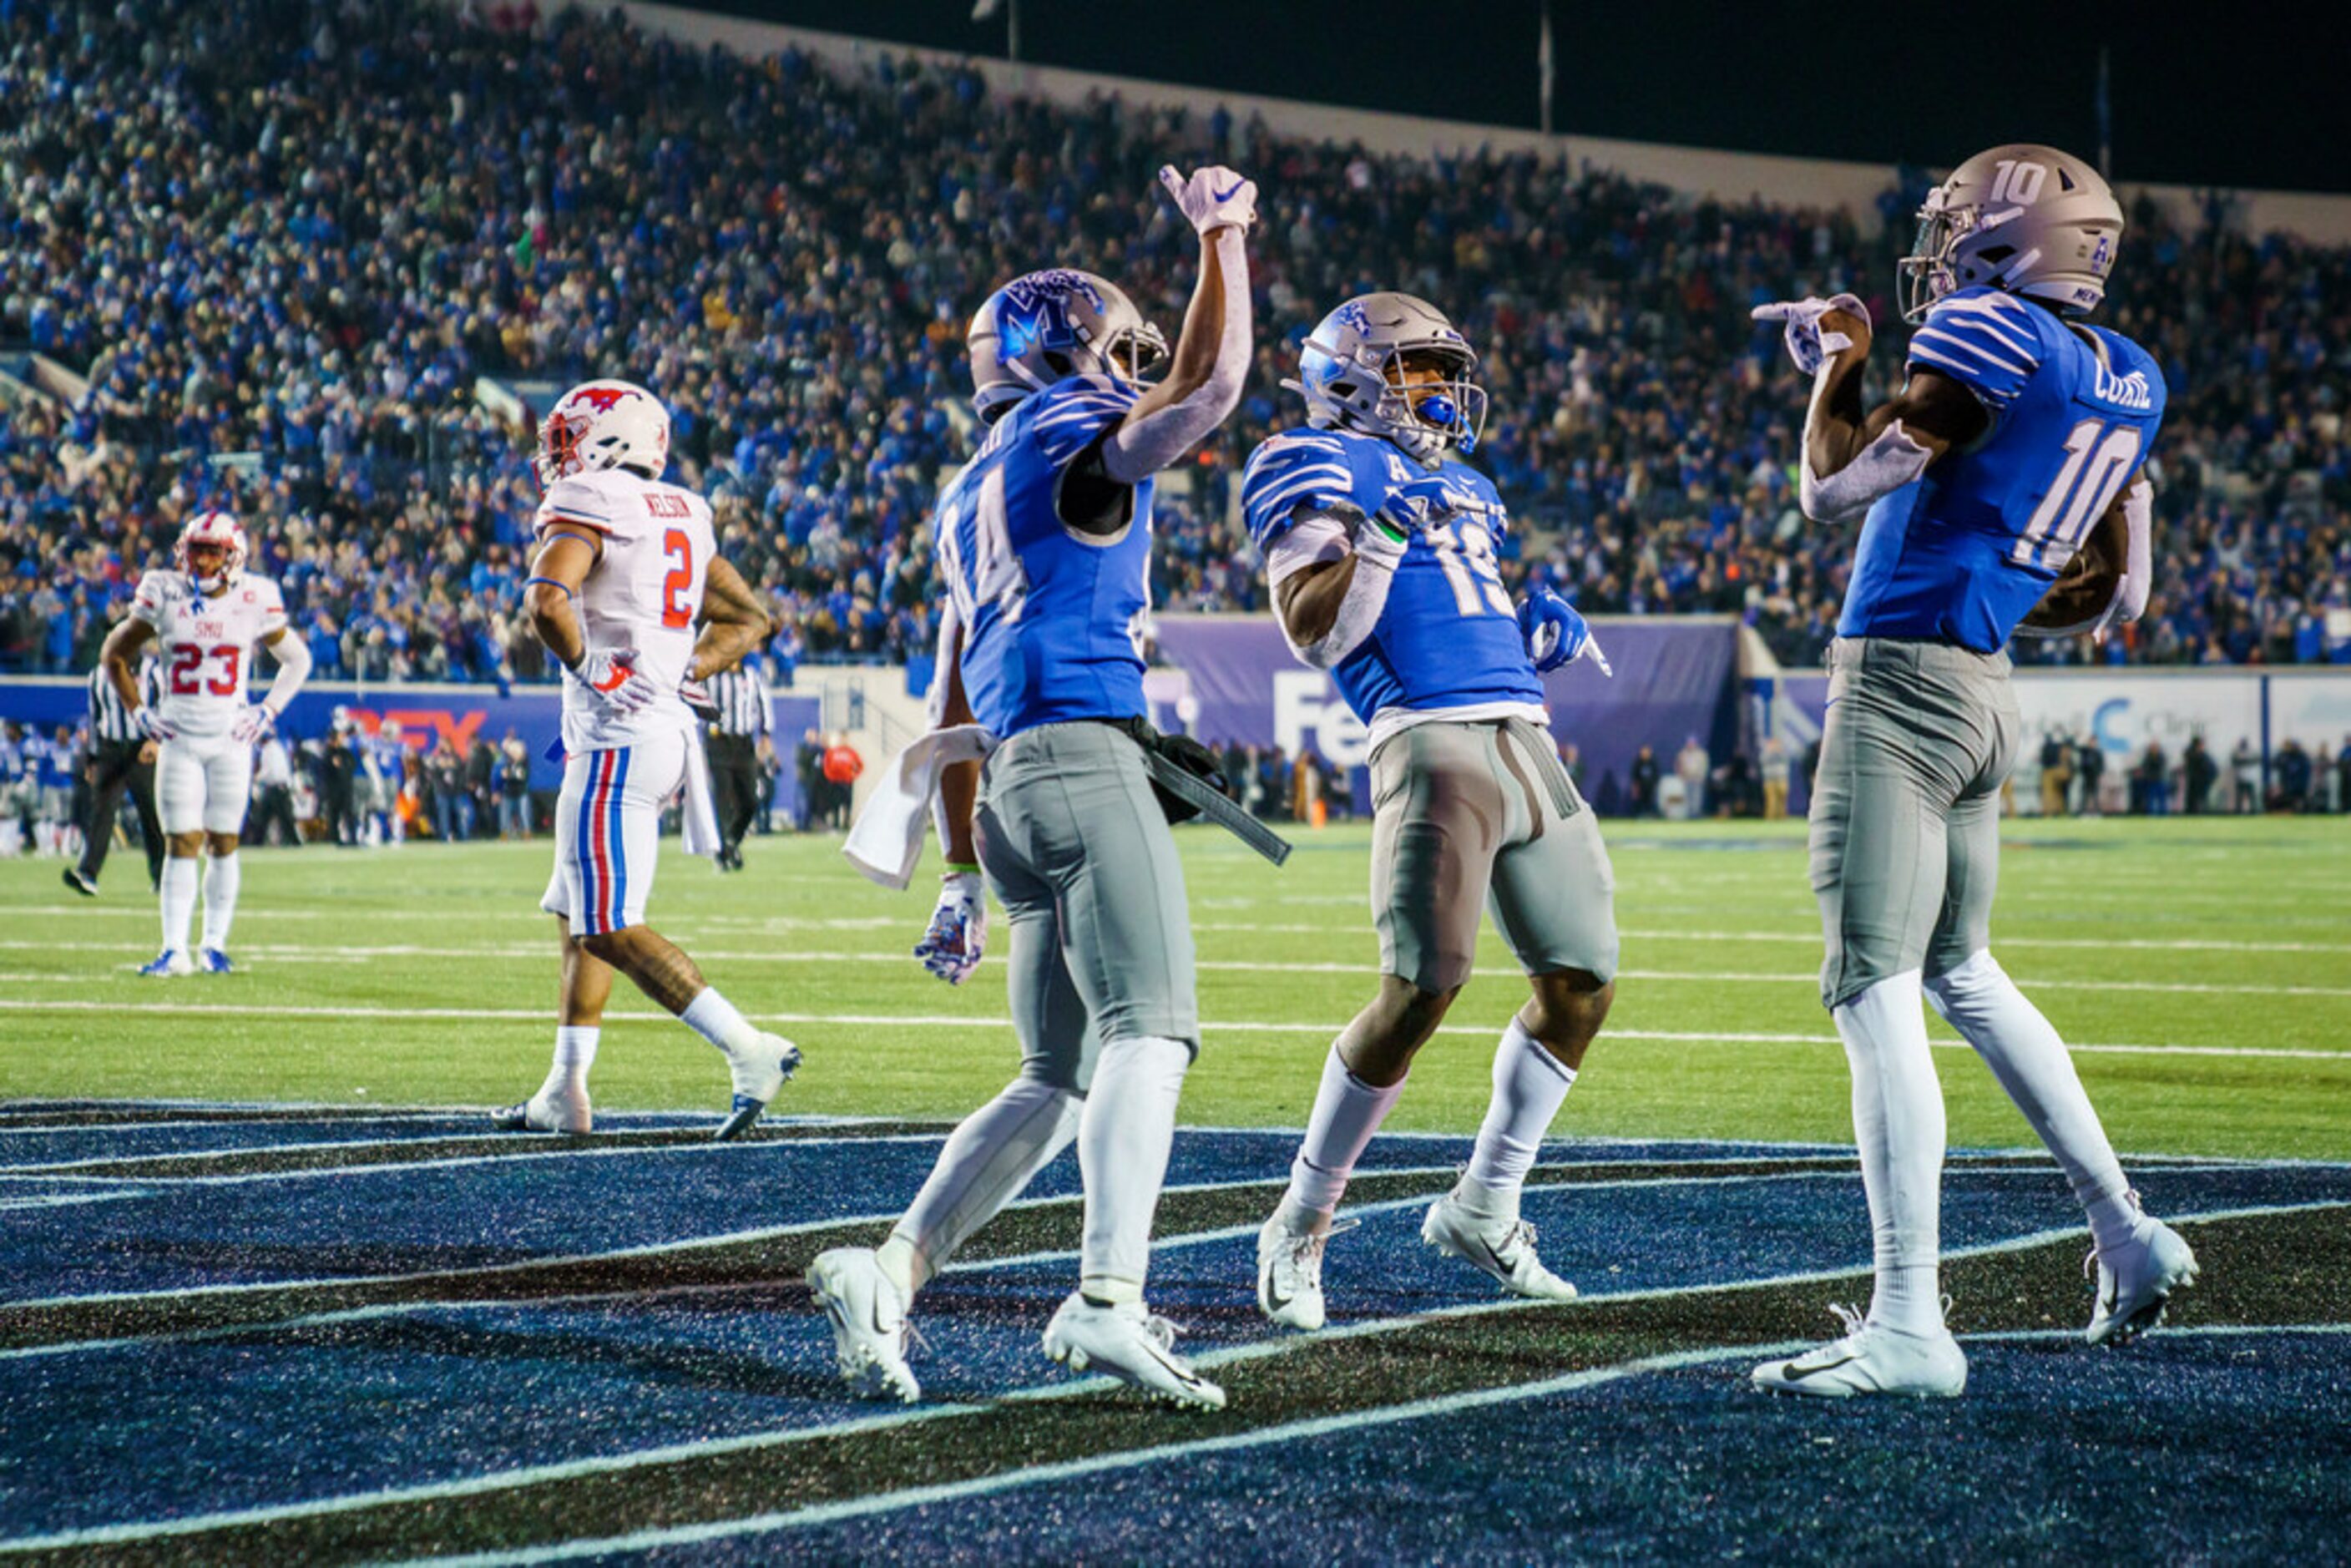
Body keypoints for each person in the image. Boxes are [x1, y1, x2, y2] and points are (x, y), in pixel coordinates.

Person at [1748, 144, 2194, 1399]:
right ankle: (2124, 1227)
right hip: (1987, 689)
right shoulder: (2129, 375)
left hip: (1899, 687)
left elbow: (1834, 492)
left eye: (1958, 229)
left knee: (1869, 983)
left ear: (2011, 243)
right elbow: (2117, 592)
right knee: (1963, 969)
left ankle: (1908, 1323)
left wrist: (1837, 363)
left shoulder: (1994, 333)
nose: (1941, 253)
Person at [808, 164, 1256, 1411]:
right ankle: (1108, 1297)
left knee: (1053, 1076)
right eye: (1109, 341)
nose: (1129, 358)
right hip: (1079, 759)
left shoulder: (965, 494)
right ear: (1057, 348)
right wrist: (1221, 236)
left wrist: (957, 869)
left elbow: (950, 700)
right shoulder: (1072, 438)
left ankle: (891, 1268)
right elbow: (1212, 389)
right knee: (1150, 1031)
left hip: (1006, 790)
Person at [1238, 290, 1620, 1332]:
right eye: (1418, 371)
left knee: (1582, 982)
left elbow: (1456, 589)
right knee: (1420, 988)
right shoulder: (1305, 459)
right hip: (1426, 735)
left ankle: (1483, 1205)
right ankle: (1300, 1222)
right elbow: (1314, 632)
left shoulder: (1470, 484)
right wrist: (1376, 541)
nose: (1442, 392)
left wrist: (1524, 620)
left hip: (1525, 734)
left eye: (1445, 372)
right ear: (1353, 378)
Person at [490, 377, 796, 1141]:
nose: (556, 454)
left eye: (566, 436)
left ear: (609, 437)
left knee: (609, 925)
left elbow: (547, 601)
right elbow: (752, 617)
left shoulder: (591, 499)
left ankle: (748, 1048)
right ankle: (565, 1089)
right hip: (654, 734)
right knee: (578, 916)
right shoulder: (685, 508)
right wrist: (681, 672)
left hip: (616, 741)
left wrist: (596, 668)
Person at [99, 510, 315, 975]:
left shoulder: (257, 597)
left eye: (210, 551)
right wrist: (139, 711)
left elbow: (296, 660)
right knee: (181, 841)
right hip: (179, 735)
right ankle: (174, 950)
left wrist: (267, 710)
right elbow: (114, 654)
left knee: (224, 840)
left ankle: (213, 945)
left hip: (230, 737)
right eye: (194, 549)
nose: (198, 560)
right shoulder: (163, 590)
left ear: (232, 556)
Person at [64, 654, 165, 896]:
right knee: (102, 811)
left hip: (141, 749)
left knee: (151, 813)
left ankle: (162, 875)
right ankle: (88, 873)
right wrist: (92, 758)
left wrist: (157, 740)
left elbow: (167, 707)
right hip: (110, 750)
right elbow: (95, 718)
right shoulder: (98, 674)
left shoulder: (153, 672)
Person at [703, 655, 773, 870]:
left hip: (744, 743)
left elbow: (764, 706)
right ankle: (722, 852)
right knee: (722, 799)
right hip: (719, 742)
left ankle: (732, 839)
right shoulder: (711, 677)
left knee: (751, 799)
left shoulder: (752, 676)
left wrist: (766, 735)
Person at [249, 727, 301, 847]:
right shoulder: (277, 747)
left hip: (276, 789)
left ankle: (294, 841)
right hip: (280, 788)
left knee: (274, 817)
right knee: (270, 817)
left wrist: (255, 778)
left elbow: (269, 772)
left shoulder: (269, 750)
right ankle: (258, 841)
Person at [819, 731, 862, 829]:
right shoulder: (833, 752)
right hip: (835, 782)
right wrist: (831, 777)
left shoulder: (851, 752)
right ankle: (836, 824)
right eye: (841, 738)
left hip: (847, 781)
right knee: (835, 804)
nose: (842, 740)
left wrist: (854, 775)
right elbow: (827, 766)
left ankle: (846, 823)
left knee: (847, 803)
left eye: (844, 738)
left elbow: (859, 765)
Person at [494, 734, 533, 838]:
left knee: (524, 814)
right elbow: (503, 775)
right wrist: (509, 775)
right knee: (505, 814)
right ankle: (504, 833)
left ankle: (526, 833)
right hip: (508, 791)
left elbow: (522, 776)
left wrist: (510, 774)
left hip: (521, 791)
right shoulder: (508, 761)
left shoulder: (524, 762)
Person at [2037, 729, 2074, 817]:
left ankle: (2049, 813)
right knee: (2060, 793)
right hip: (2058, 770)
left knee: (2048, 793)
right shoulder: (2062, 745)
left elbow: (2043, 759)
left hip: (2049, 771)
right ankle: (2061, 812)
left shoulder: (2047, 745)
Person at [1674, 734, 1711, 819]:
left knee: (1697, 797)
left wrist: (1702, 776)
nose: (1691, 744)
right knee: (1688, 796)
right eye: (1689, 743)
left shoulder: (1701, 754)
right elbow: (1678, 765)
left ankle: (1696, 813)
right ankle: (1689, 814)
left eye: (1692, 743)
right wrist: (1681, 776)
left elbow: (1704, 766)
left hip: (1697, 778)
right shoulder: (1683, 754)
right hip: (1687, 778)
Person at [1760, 732, 1792, 822]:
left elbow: (1785, 763)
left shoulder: (1782, 754)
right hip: (1770, 779)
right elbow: (1764, 762)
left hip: (1781, 778)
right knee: (1771, 801)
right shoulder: (1766, 754)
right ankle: (1770, 818)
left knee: (1783, 800)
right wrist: (1770, 751)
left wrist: (1778, 751)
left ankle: (1782, 817)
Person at [2182, 736, 2217, 815]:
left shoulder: (2202, 754)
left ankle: (2199, 813)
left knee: (2200, 799)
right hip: (2196, 781)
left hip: (2202, 781)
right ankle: (2195, 814)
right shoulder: (2193, 754)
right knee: (2194, 800)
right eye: (2201, 744)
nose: (2202, 746)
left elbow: (2211, 768)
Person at [1629, 744, 1661, 817]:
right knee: (1640, 802)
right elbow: (1635, 775)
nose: (1645, 753)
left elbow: (1656, 775)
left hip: (1650, 787)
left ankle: (1651, 815)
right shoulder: (1638, 763)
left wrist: (1654, 785)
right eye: (1643, 751)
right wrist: (1636, 787)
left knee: (1650, 802)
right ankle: (1639, 816)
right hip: (1641, 787)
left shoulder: (1653, 763)